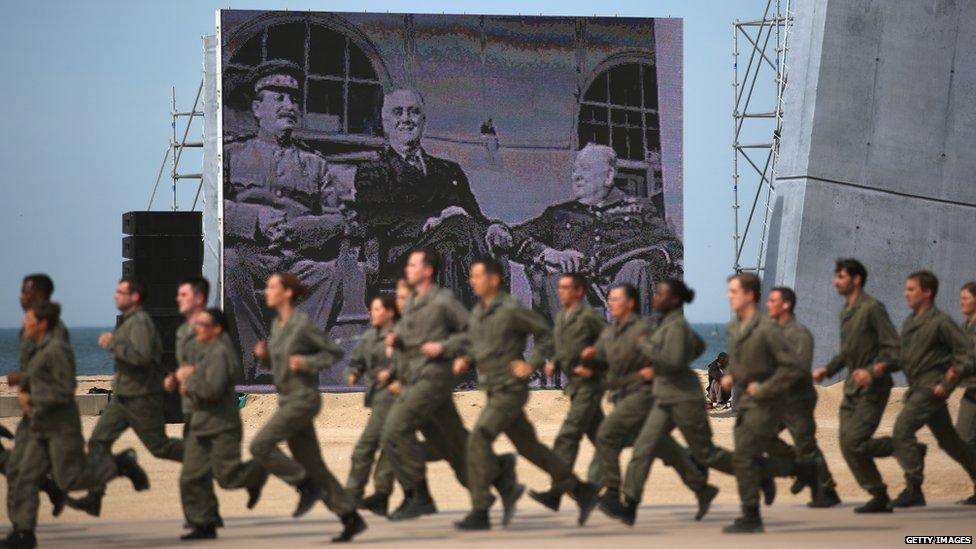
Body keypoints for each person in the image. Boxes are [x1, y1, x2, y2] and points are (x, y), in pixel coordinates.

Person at [222, 60, 353, 384]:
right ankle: (258, 366)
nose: (289, 106)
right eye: (278, 97)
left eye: (293, 100)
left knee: (329, 275)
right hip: (249, 255)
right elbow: (213, 206)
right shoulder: (231, 155)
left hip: (295, 258)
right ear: (257, 107)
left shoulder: (314, 163)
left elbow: (339, 220)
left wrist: (300, 229)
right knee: (227, 263)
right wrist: (253, 219)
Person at [452, 258, 599, 530]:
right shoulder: (478, 313)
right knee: (529, 447)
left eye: (477, 276)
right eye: (471, 276)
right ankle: (580, 491)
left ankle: (483, 508)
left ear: (494, 280)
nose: (472, 281)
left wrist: (532, 363)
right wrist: (467, 359)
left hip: (510, 389)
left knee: (478, 440)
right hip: (494, 389)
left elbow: (544, 333)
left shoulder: (510, 309)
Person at [4, 301, 149, 549]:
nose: (22, 323)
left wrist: (30, 393)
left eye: (28, 320)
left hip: (60, 426)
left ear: (42, 324)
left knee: (70, 479)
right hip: (38, 423)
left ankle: (120, 465)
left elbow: (64, 389)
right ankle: (24, 532)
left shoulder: (56, 350)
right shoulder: (38, 348)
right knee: (23, 473)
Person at [496, 143, 682, 318]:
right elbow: (512, 237)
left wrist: (609, 259)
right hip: (577, 299)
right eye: (574, 170)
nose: (575, 176)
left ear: (609, 175)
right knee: (558, 277)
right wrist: (548, 253)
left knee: (636, 267)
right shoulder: (560, 214)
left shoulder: (639, 209)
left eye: (584, 169)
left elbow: (670, 246)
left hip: (625, 294)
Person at [249, 273, 366, 543]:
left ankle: (304, 485)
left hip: (303, 400)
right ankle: (350, 516)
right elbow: (281, 365)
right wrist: (266, 357)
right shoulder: (278, 325)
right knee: (314, 465)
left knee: (260, 445)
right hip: (287, 398)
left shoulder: (300, 324)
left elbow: (332, 353)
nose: (267, 291)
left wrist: (306, 363)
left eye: (272, 287)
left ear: (287, 293)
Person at [353, 89, 494, 305]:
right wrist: (433, 221)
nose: (406, 119)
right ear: (385, 122)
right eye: (398, 112)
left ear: (423, 121)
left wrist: (496, 229)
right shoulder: (373, 171)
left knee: (457, 239)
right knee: (457, 230)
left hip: (451, 249)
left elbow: (475, 218)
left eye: (414, 112)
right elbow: (375, 217)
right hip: (402, 260)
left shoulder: (449, 170)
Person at [589, 284, 706, 523]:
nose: (609, 302)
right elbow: (600, 360)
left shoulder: (647, 328)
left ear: (630, 303)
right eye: (609, 299)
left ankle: (608, 493)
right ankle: (701, 484)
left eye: (615, 299)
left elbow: (694, 346)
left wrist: (665, 368)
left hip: (642, 396)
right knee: (656, 445)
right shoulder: (610, 332)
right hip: (622, 397)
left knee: (608, 436)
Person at [379, 249, 482, 521]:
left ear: (427, 271)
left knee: (394, 431)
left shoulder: (442, 301)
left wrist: (444, 346)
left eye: (413, 265)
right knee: (451, 443)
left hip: (433, 378)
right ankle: (493, 487)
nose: (408, 269)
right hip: (415, 378)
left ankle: (420, 496)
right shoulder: (412, 303)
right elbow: (412, 341)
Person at [70, 277, 183, 515]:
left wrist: (113, 345)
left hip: (141, 397)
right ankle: (95, 495)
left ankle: (202, 455)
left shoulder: (140, 322)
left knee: (159, 447)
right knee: (98, 441)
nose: (115, 296)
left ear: (135, 297)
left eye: (121, 292)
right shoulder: (129, 321)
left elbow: (142, 358)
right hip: (123, 396)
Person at [617, 279, 726, 525]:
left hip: (684, 398)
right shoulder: (668, 323)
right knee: (643, 447)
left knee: (707, 453)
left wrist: (644, 345)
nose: (654, 297)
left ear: (674, 299)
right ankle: (630, 505)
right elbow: (697, 346)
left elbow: (674, 362)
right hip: (664, 398)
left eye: (660, 294)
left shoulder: (676, 326)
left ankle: (762, 472)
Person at [879, 271, 976, 508]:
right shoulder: (911, 321)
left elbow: (966, 355)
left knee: (902, 430)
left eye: (911, 289)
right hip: (921, 388)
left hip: (931, 388)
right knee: (951, 442)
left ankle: (913, 487)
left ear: (927, 292)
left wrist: (946, 383)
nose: (906, 293)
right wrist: (878, 367)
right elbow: (905, 354)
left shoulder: (941, 322)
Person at [720, 273, 807, 533]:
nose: (729, 296)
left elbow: (791, 366)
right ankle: (799, 467)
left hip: (769, 401)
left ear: (750, 296)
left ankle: (751, 516)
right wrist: (731, 375)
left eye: (734, 292)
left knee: (745, 456)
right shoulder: (736, 326)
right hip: (747, 401)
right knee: (753, 450)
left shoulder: (768, 328)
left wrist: (764, 387)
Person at [812, 259, 900, 513]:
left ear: (856, 280)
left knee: (854, 442)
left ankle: (903, 446)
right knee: (846, 443)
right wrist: (827, 370)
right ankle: (878, 494)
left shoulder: (872, 308)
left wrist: (873, 371)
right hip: (852, 389)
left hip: (875, 388)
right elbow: (847, 352)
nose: (835, 281)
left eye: (840, 277)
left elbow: (894, 350)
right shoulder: (846, 312)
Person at [174, 308, 268, 541]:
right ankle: (203, 523)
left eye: (202, 325)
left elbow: (213, 390)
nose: (197, 330)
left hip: (221, 426)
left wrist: (189, 379)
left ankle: (255, 474)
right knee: (191, 476)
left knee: (227, 478)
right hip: (200, 423)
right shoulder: (204, 350)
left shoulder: (220, 353)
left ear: (216, 329)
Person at [529, 272, 607, 509]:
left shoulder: (589, 317)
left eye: (566, 288)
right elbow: (564, 348)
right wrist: (555, 363)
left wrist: (592, 362)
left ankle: (556, 492)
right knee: (603, 439)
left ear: (579, 292)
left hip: (590, 386)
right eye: (559, 287)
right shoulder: (563, 317)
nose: (560, 291)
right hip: (575, 387)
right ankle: (601, 489)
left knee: (567, 437)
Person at [766, 287, 840, 507]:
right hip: (778, 398)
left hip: (797, 399)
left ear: (786, 305)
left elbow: (797, 370)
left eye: (773, 300)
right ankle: (800, 468)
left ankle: (826, 491)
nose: (768, 304)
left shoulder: (799, 334)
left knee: (806, 445)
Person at [3, 274, 68, 521]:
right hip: (32, 409)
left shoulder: (51, 329)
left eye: (25, 292)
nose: (20, 296)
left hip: (45, 411)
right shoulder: (27, 327)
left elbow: (56, 370)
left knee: (24, 468)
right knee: (19, 467)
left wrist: (24, 383)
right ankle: (26, 523)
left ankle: (23, 529)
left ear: (39, 295)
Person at [344, 295, 399, 516]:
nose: (372, 314)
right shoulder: (368, 338)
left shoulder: (399, 337)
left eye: (377, 309)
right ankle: (381, 496)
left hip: (394, 400)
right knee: (389, 447)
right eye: (371, 310)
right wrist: (353, 373)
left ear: (389, 312)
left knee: (365, 448)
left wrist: (394, 373)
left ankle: (352, 494)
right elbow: (356, 362)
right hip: (378, 400)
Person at [955, 280, 976, 505]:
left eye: (966, 298)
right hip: (971, 392)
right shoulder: (965, 326)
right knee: (962, 438)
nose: (961, 302)